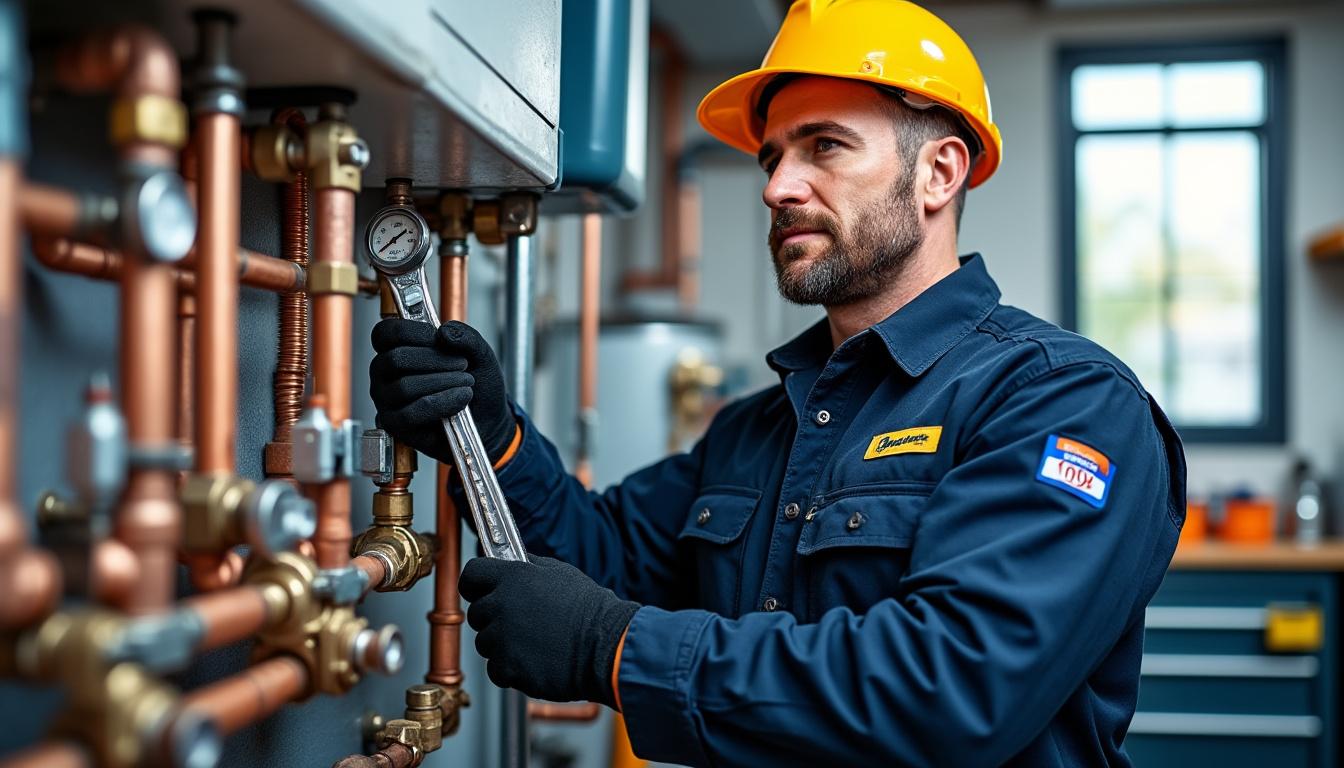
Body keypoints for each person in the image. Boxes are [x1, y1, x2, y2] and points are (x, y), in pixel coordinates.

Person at [368, 1, 1186, 765]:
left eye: (824, 145)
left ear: (939, 173)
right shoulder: (757, 428)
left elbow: (956, 687)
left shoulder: (1062, 402)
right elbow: (603, 558)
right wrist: (491, 437)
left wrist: (614, 649)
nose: (776, 187)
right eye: (773, 157)